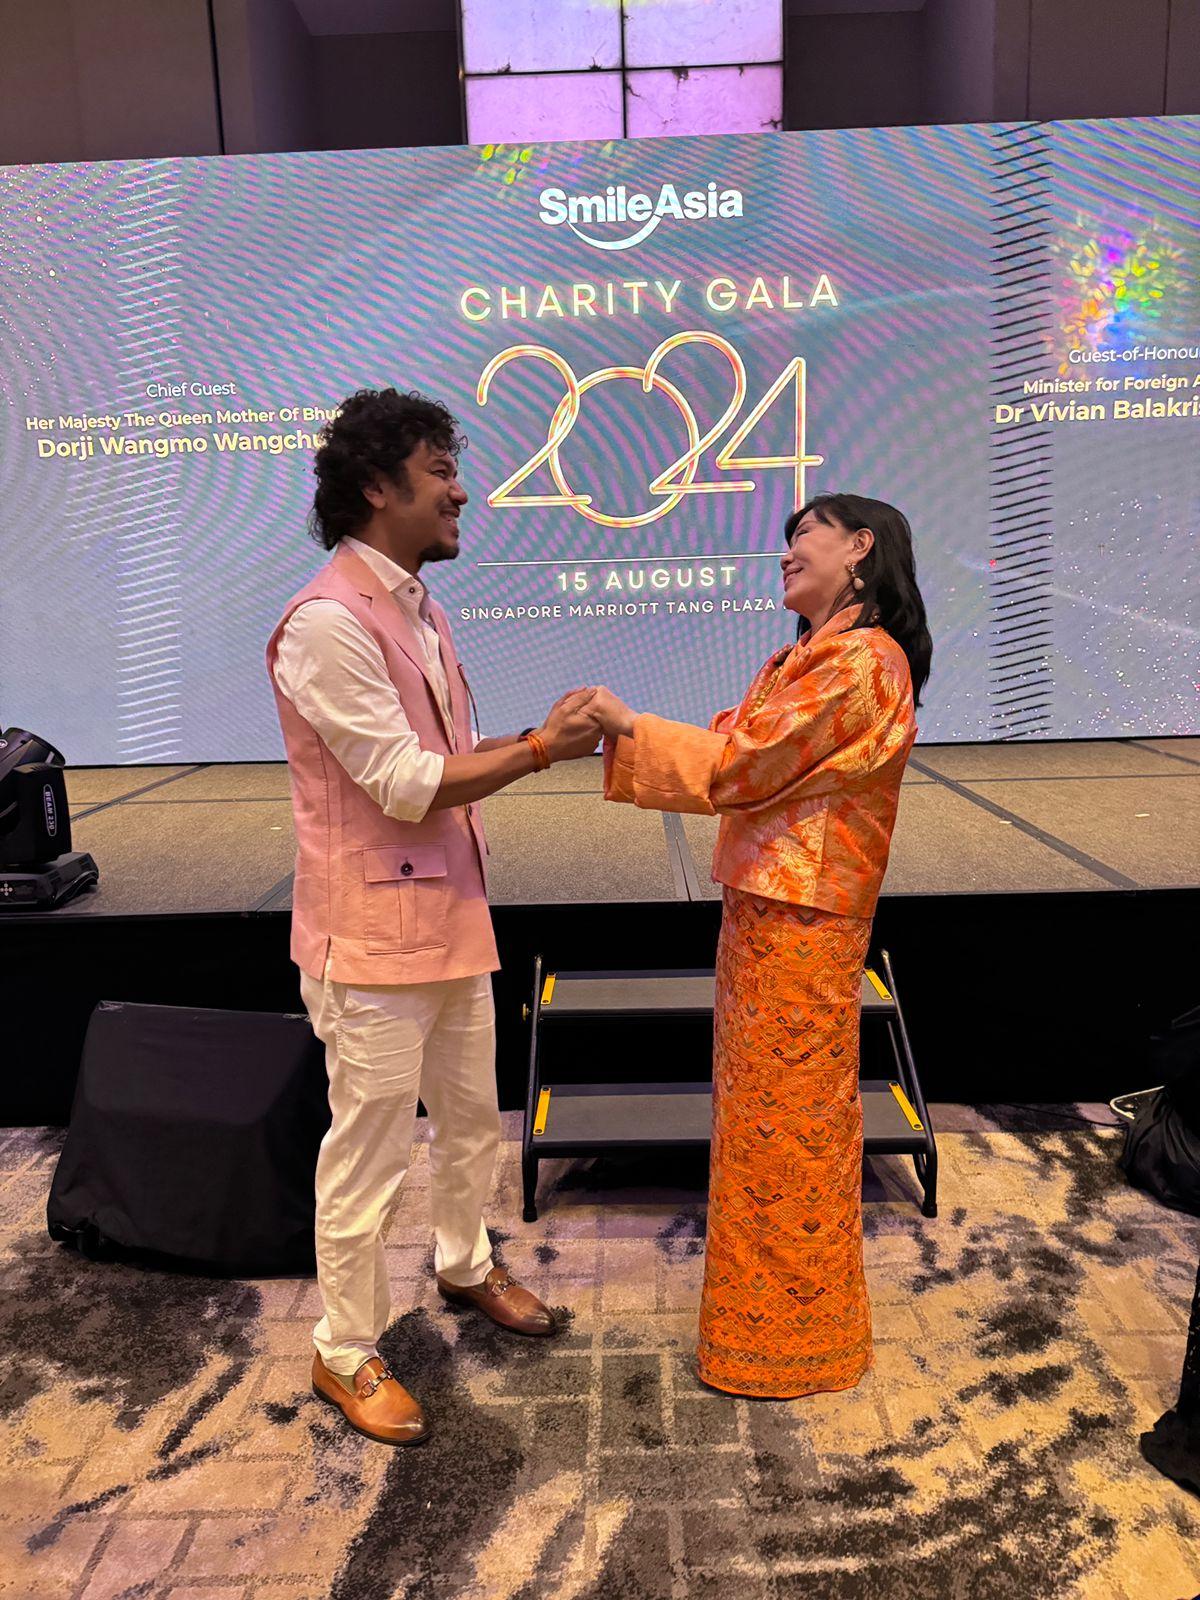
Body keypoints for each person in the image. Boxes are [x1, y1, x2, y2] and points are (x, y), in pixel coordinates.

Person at [267, 388, 599, 1445]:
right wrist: (540, 750)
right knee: (367, 1155)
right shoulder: (327, 621)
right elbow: (406, 783)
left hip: (450, 917)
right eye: (442, 471)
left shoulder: (419, 607)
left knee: (468, 1122)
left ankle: (463, 1263)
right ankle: (344, 1350)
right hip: (369, 939)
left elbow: (441, 761)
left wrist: (534, 741)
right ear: (377, 487)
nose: (462, 492)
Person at [587, 493, 931, 1399]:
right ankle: (766, 1334)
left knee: (790, 1127)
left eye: (803, 535)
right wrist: (638, 734)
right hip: (770, 911)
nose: (785, 553)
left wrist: (630, 728)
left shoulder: (861, 661)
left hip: (803, 919)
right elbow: (744, 748)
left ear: (860, 549)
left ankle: (795, 1343)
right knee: (763, 1123)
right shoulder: (808, 658)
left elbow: (745, 765)